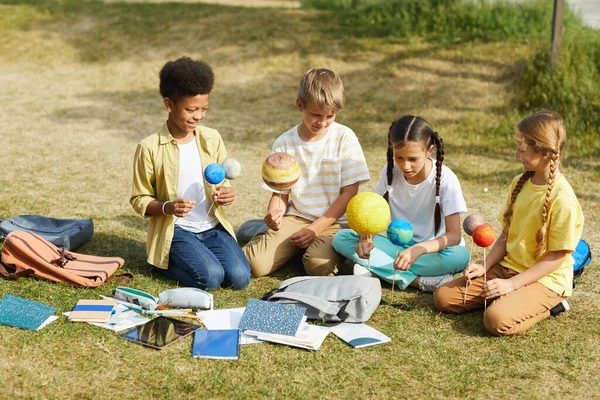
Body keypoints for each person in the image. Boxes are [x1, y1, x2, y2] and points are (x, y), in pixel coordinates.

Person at [433, 111, 584, 336]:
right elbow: (506, 235)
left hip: (545, 280)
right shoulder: (519, 183)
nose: (516, 155)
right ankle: (507, 298)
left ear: (544, 152)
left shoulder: (564, 201)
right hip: (507, 268)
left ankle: (552, 306)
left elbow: (555, 258)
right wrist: (485, 266)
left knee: (495, 319)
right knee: (443, 298)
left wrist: (512, 286)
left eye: (522, 149)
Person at [130, 57, 250, 290]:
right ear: (169, 104)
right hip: (176, 229)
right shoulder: (149, 147)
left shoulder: (212, 138)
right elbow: (139, 199)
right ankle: (161, 263)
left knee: (239, 278)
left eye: (204, 109)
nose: (199, 116)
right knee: (212, 278)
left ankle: (197, 254)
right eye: (191, 109)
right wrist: (168, 207)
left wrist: (226, 194)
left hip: (212, 226)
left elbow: (221, 180)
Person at [242, 68, 370, 277]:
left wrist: (315, 229)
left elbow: (349, 193)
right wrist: (275, 212)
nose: (322, 122)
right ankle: (274, 237)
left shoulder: (345, 137)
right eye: (316, 115)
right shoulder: (285, 142)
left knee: (317, 266)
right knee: (255, 265)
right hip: (297, 217)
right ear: (299, 105)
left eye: (330, 116)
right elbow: (280, 194)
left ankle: (299, 248)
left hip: (334, 222)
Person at [332, 115, 469, 292]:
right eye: (399, 157)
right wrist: (364, 239)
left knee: (460, 256)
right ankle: (418, 281)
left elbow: (454, 236)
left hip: (432, 251)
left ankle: (377, 268)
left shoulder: (446, 179)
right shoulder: (389, 172)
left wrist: (418, 249)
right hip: (396, 246)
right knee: (341, 238)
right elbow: (372, 214)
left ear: (429, 150)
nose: (405, 166)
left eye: (412, 159)